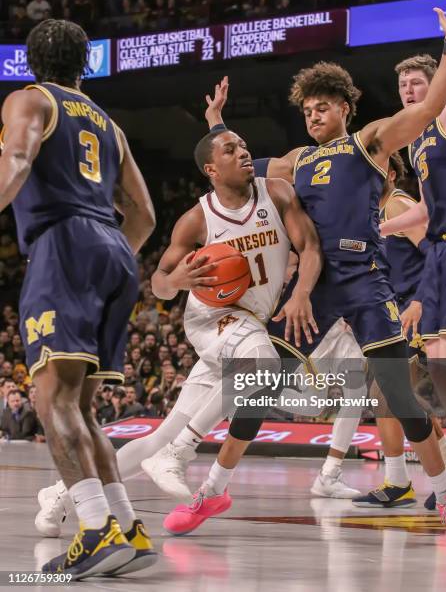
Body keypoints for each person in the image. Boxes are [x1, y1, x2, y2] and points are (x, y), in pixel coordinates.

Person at [166, 0, 446, 543]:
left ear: (344, 108)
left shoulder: (369, 142)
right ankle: (212, 491)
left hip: (366, 279)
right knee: (257, 387)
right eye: (307, 110)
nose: (313, 115)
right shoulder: (294, 162)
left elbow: (426, 111)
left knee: (400, 398)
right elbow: (231, 166)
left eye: (323, 106)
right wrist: (214, 124)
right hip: (310, 286)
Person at [33, 128, 323, 530]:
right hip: (211, 316)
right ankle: (181, 452)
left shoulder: (276, 193)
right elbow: (159, 285)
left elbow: (309, 246)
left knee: (158, 435)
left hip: (248, 323)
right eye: (230, 149)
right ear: (211, 169)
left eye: (243, 145)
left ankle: (61, 494)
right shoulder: (197, 219)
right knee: (263, 364)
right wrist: (179, 280)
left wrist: (301, 293)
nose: (244, 152)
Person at [0, 19, 156, 577]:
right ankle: (126, 526)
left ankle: (94, 529)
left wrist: (75, 251)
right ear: (85, 64)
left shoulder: (29, 99)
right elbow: (145, 214)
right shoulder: (110, 126)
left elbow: (17, 159)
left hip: (64, 243)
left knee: (51, 400)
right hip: (115, 250)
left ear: (30, 62)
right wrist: (110, 253)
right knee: (79, 405)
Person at [381, 49, 446, 508]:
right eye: (403, 87)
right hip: (439, 248)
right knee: (441, 368)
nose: (409, 92)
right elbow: (425, 209)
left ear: (436, 85)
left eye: (416, 84)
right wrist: (379, 226)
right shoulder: (416, 142)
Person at [353, 153, 446, 508]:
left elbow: (433, 250)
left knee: (397, 392)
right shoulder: (372, 212)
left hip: (421, 306)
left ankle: (406, 480)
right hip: (396, 308)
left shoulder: (397, 204)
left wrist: (420, 300)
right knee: (399, 395)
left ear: (391, 173)